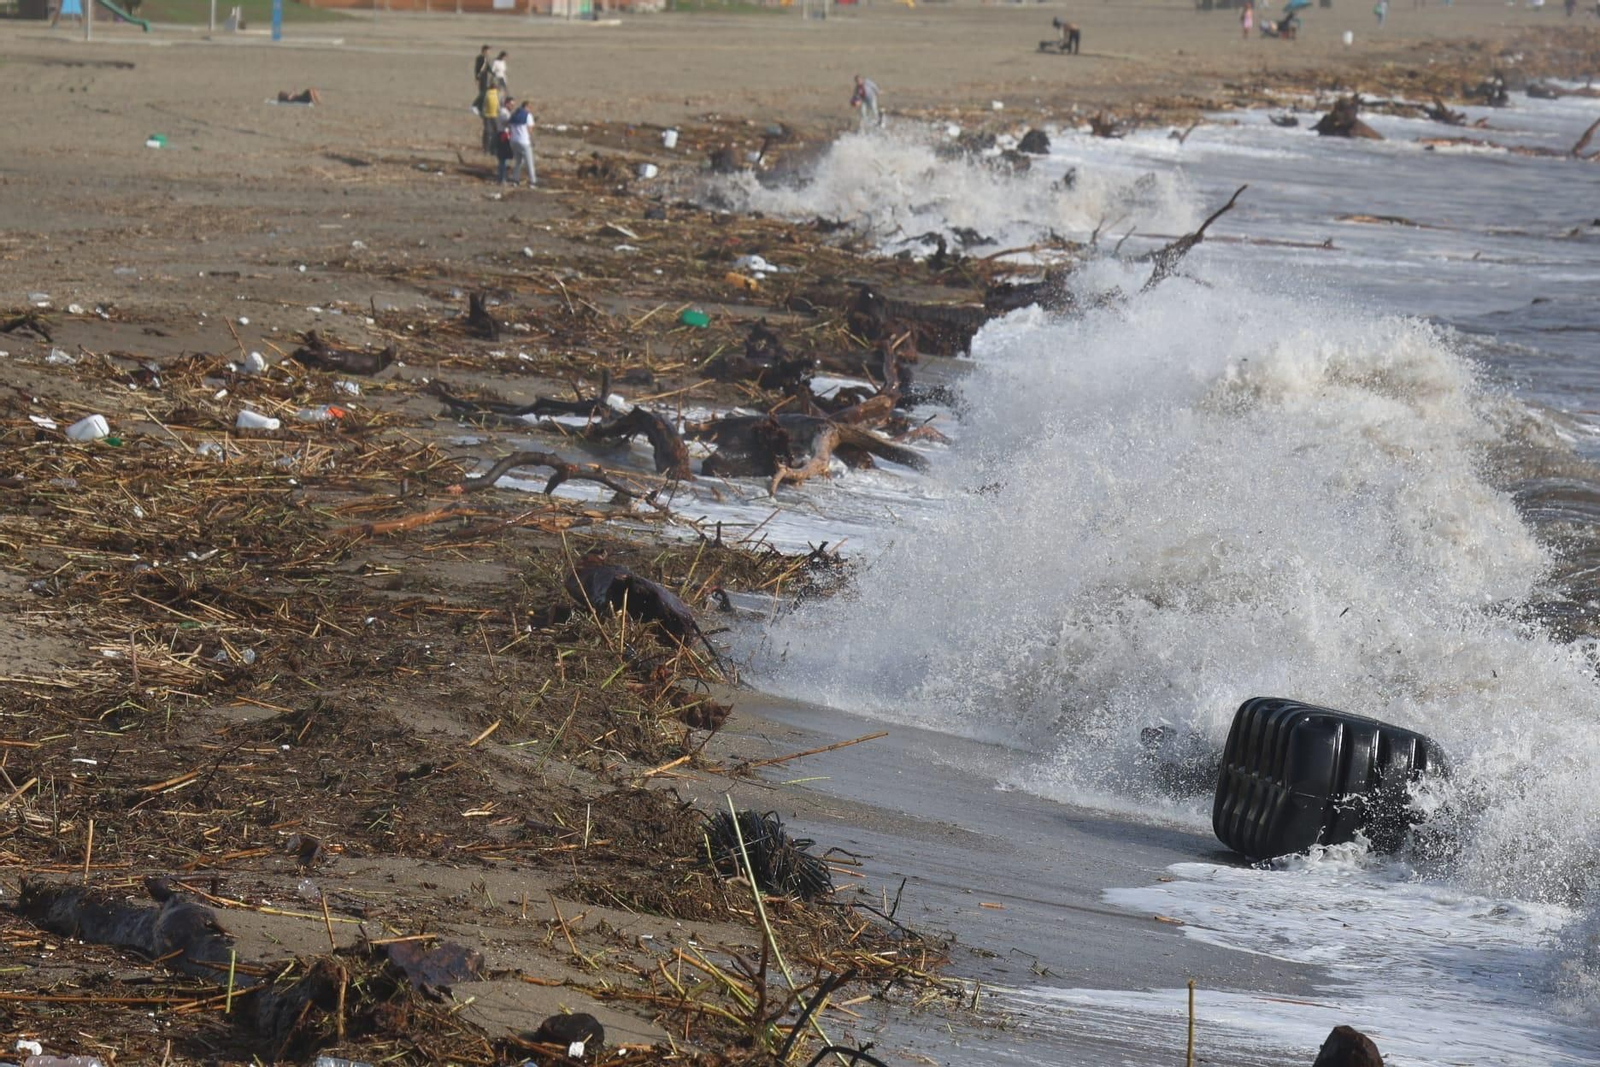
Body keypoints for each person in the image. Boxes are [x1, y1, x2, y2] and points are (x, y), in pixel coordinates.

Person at [506, 98, 536, 187]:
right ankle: (533, 181)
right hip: (524, 141)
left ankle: (515, 180)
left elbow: (509, 125)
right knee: (529, 162)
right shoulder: (528, 115)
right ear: (526, 107)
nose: (530, 109)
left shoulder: (514, 114)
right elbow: (530, 130)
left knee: (518, 161)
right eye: (530, 107)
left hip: (514, 141)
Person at [480, 81, 501, 156]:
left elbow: (483, 105)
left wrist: (483, 113)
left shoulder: (487, 93)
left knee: (488, 132)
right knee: (496, 132)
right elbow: (499, 105)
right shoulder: (497, 94)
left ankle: (486, 148)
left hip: (487, 115)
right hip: (494, 115)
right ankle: (493, 148)